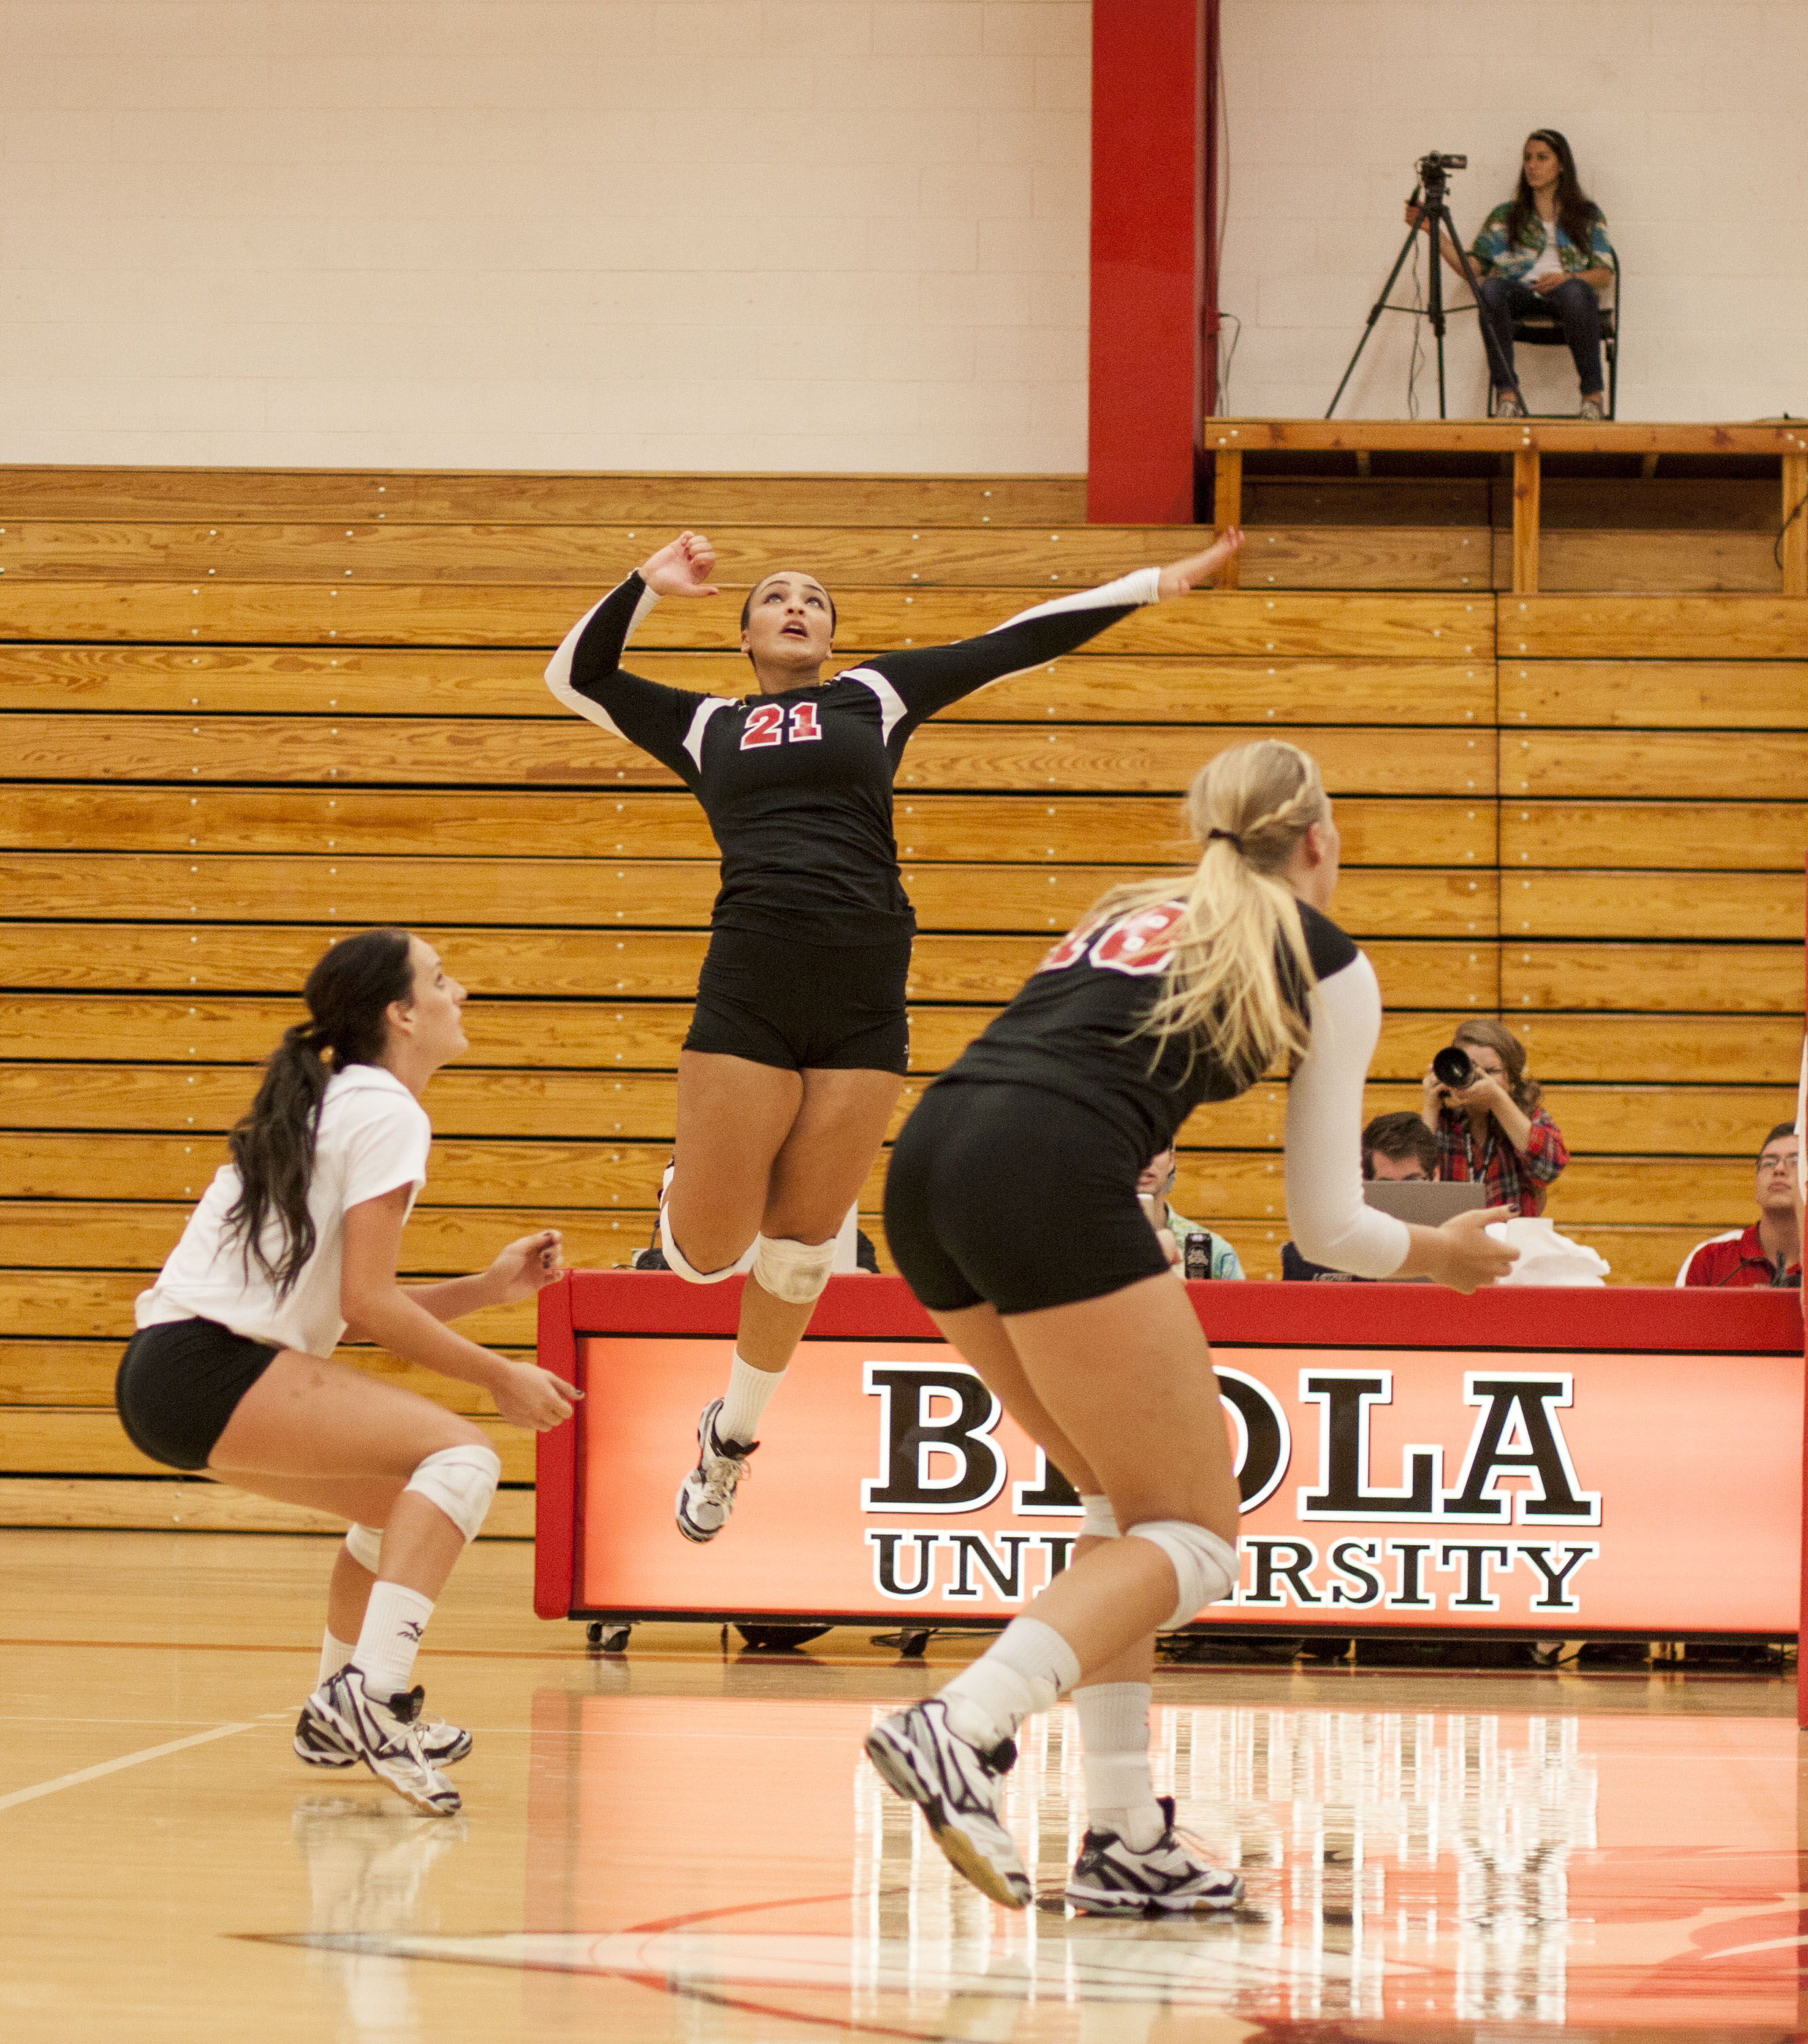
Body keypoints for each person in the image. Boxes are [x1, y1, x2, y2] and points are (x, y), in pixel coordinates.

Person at [865, 740, 1512, 1916]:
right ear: (1319, 841)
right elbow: (1328, 1223)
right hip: (1047, 1170)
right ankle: (960, 1724)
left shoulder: (1131, 906)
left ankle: (1120, 1834)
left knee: (1118, 1513)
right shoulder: (1323, 955)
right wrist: (1443, 1258)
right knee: (1199, 1538)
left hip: (926, 1162)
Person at [545, 524, 1243, 1549]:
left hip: (866, 989)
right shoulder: (702, 726)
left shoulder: (870, 698)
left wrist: (1145, 584)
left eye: (815, 598)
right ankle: (685, 1201)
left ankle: (730, 1441)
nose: (796, 606)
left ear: (831, 635)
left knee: (801, 1259)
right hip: (752, 979)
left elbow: (1013, 641)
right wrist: (645, 585)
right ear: (743, 634)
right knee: (705, 1260)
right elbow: (575, 674)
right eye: (776, 596)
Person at [113, 928, 578, 1816]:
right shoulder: (387, 1112)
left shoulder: (348, 1103)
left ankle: (336, 1710)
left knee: (396, 1504)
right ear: (402, 1014)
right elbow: (369, 1304)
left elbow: (345, 1302)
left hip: (177, 1375)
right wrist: (497, 1376)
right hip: (208, 1365)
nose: (462, 992)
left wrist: (485, 1290)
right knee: (464, 1459)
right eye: (443, 980)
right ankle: (371, 1695)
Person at [1407, 129, 1614, 420]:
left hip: (1566, 293)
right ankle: (1508, 397)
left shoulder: (1586, 214)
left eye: (1542, 158)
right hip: (1520, 293)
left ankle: (1592, 399)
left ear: (1561, 165)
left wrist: (1568, 278)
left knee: (1577, 292)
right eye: (1528, 158)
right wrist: (1433, 231)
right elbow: (1472, 268)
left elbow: (1604, 274)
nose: (1532, 165)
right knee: (1490, 288)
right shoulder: (1505, 216)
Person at [1422, 1018, 1566, 1218]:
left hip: (1514, 1244)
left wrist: (1497, 1098)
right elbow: (1416, 1188)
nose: (1480, 1079)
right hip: (1452, 1243)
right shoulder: (1444, 1122)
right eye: (1470, 1070)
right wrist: (1430, 1106)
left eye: (1490, 1071)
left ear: (1512, 1079)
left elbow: (1549, 1169)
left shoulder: (1529, 1118)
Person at [1281, 1110, 1437, 1280]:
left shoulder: (1455, 1249)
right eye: (1387, 1185)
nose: (1401, 1198)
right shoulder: (1316, 1256)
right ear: (1365, 1184)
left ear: (1435, 1177)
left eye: (1412, 1183)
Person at [1677, 1124, 1801, 1287]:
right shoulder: (1710, 1259)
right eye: (1769, 1163)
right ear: (1757, 1186)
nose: (1779, 1169)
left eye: (1795, 1161)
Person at [1137, 1143, 1243, 1280]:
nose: (1146, 1160)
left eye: (1157, 1149)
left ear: (1171, 1161)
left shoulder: (1217, 1253)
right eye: (1133, 1148)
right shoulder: (1101, 1248)